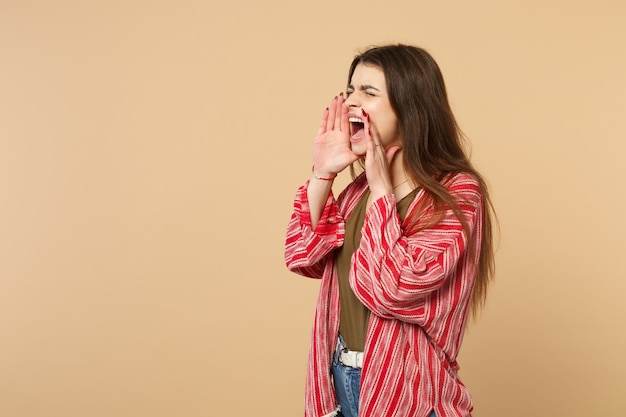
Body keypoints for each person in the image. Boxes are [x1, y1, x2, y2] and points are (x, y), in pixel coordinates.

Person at [285, 44, 495, 417]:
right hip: (339, 379)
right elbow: (303, 256)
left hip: (408, 389)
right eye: (350, 90)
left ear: (409, 107)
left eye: (368, 92)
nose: (351, 102)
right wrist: (323, 173)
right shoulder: (356, 192)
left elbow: (394, 289)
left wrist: (383, 192)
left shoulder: (458, 192)